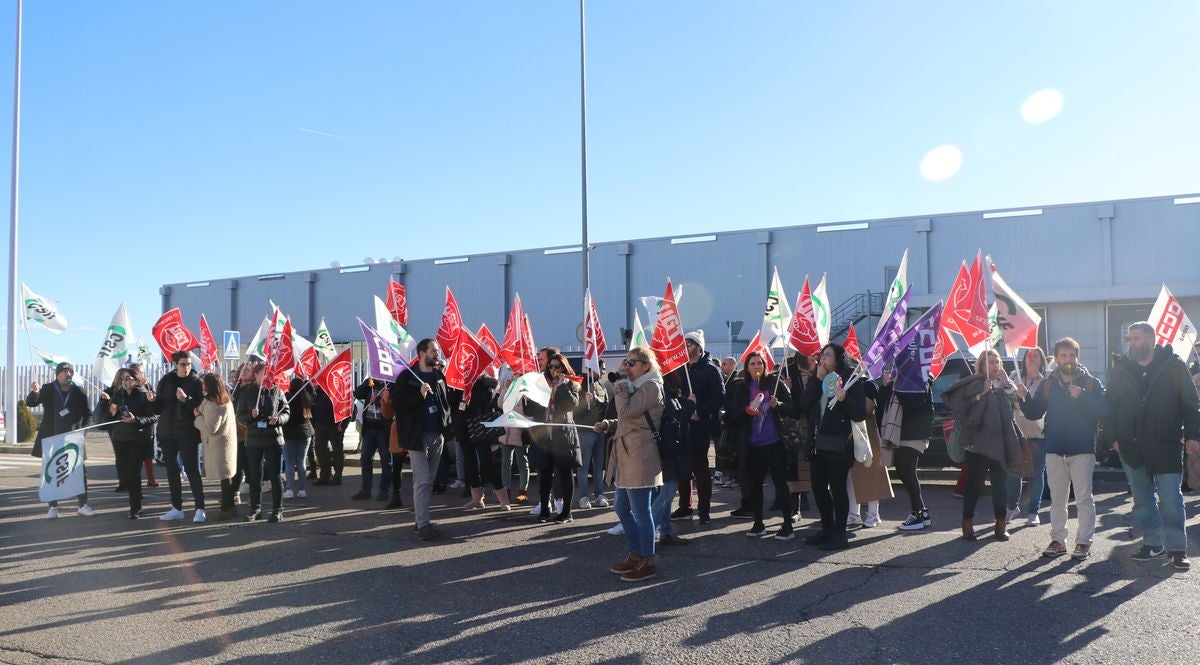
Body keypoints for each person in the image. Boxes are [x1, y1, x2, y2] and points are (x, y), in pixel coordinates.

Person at [1104, 322, 1200, 570]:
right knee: (1142, 499)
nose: (1132, 343)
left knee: (1171, 499)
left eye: (1136, 338)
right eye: (1130, 339)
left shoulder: (1174, 366)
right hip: (1131, 447)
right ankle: (1153, 544)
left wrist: (1193, 435)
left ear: (1151, 339)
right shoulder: (1121, 368)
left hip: (1166, 445)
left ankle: (1177, 549)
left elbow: (1191, 406)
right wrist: (1112, 436)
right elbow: (1110, 406)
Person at [1018, 337, 1107, 560]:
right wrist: (1024, 398)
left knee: (1084, 499)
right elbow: (1034, 412)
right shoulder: (1048, 383)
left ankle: (1084, 543)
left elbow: (1104, 412)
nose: (1067, 359)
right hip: (1054, 448)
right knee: (1057, 500)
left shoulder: (1091, 383)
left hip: (1083, 449)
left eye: (1071, 355)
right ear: (1056, 358)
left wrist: (1083, 397)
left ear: (1078, 357)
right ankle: (1058, 540)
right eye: (1063, 355)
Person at [595, 345, 664, 582]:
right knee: (621, 508)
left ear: (646, 365)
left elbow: (627, 412)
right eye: (626, 362)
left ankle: (648, 559)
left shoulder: (653, 386)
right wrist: (608, 424)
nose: (627, 367)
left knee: (641, 510)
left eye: (631, 363)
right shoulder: (636, 387)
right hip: (627, 453)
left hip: (641, 454)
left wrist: (621, 384)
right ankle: (636, 554)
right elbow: (626, 419)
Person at [943, 349, 1024, 542]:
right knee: (974, 485)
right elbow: (961, 407)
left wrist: (1007, 383)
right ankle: (967, 523)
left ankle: (1000, 524)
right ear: (982, 365)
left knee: (1000, 486)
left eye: (997, 362)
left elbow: (1017, 403)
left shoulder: (1005, 383)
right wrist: (981, 393)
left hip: (1001, 442)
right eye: (990, 362)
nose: (995, 365)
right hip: (977, 443)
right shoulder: (974, 381)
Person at [796, 344, 867, 550]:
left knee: (837, 489)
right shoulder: (817, 378)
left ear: (838, 360)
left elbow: (859, 414)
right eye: (822, 355)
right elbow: (804, 404)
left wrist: (844, 398)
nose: (823, 359)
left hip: (839, 445)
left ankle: (840, 533)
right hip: (818, 444)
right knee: (818, 487)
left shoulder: (852, 380)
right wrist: (816, 380)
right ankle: (827, 528)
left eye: (828, 355)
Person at [725, 351, 796, 540]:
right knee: (755, 485)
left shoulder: (774, 383)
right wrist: (746, 411)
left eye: (760, 363)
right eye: (753, 364)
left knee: (781, 484)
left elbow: (793, 407)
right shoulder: (741, 388)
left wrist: (778, 404)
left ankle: (788, 525)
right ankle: (758, 523)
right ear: (747, 368)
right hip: (753, 446)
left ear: (765, 366)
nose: (757, 367)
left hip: (775, 443)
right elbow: (732, 415)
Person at [390, 339, 453, 540]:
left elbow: (445, 404)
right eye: (434, 351)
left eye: (437, 351)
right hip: (417, 437)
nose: (437, 354)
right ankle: (424, 524)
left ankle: (420, 520)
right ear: (422, 353)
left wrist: (447, 427)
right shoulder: (407, 377)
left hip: (437, 436)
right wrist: (419, 394)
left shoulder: (439, 376)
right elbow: (397, 404)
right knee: (422, 482)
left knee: (429, 481)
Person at [672, 330, 725, 524]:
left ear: (699, 347)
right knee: (682, 468)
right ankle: (685, 506)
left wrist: (699, 412)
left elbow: (719, 396)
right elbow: (675, 393)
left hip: (700, 425)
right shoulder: (682, 368)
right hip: (682, 424)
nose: (685, 347)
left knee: (700, 469)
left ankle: (704, 510)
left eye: (689, 343)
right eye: (684, 343)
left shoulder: (711, 370)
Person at [29, 362, 94, 518]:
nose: (69, 374)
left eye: (71, 371)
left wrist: (82, 431)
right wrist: (35, 392)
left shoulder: (78, 391)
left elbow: (88, 415)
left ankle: (83, 505)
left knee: (79, 473)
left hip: (73, 440)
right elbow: (31, 403)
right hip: (52, 439)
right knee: (51, 472)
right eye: (66, 371)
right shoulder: (48, 389)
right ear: (58, 374)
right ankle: (53, 508)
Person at [152, 352, 206, 523]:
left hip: (188, 432)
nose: (187, 367)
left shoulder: (197, 382)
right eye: (183, 364)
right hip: (167, 432)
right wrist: (152, 401)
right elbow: (157, 408)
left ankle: (200, 508)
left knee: (192, 471)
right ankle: (177, 508)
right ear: (175, 364)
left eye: (189, 364)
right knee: (172, 471)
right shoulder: (166, 380)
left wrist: (186, 399)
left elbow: (201, 407)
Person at [877, 368, 934, 531]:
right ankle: (922, 513)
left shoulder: (922, 375)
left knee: (907, 470)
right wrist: (886, 386)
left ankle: (917, 514)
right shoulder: (900, 376)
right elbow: (882, 406)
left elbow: (914, 403)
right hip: (900, 431)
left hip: (914, 431)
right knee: (904, 471)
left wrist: (898, 385)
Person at [528, 352, 582, 524]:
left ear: (564, 367)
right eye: (550, 366)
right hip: (544, 436)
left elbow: (571, 405)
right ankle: (544, 509)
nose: (553, 370)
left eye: (557, 366)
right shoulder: (541, 384)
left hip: (563, 436)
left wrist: (561, 386)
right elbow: (532, 410)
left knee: (565, 473)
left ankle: (566, 512)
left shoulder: (571, 384)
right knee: (544, 474)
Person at [98, 369, 157, 518]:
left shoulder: (143, 395)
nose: (125, 381)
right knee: (125, 473)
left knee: (133, 472)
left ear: (136, 380)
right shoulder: (117, 395)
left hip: (138, 439)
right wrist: (111, 412)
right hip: (120, 439)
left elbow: (152, 417)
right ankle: (135, 500)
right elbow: (107, 420)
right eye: (123, 379)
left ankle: (135, 508)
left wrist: (135, 420)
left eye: (129, 378)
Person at [236, 365, 291, 522]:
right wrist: (250, 416)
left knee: (275, 476)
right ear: (257, 374)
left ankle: (277, 510)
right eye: (264, 374)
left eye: (270, 374)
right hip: (253, 439)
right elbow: (240, 415)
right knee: (254, 476)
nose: (268, 377)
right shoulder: (247, 393)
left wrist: (278, 419)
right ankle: (255, 509)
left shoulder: (277, 391)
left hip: (273, 438)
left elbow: (286, 411)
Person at [1007, 347, 1048, 526]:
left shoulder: (1046, 380)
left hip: (1039, 433)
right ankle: (1012, 506)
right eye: (1028, 356)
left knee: (1036, 474)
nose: (1031, 359)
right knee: (1014, 472)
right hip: (1018, 432)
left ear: (1042, 360)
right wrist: (1015, 395)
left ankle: (1033, 512)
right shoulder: (1015, 377)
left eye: (1036, 356)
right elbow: (1006, 398)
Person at [460, 373, 511, 510]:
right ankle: (477, 498)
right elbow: (453, 403)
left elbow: (488, 401)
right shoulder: (456, 381)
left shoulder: (486, 383)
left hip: (481, 427)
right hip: (462, 426)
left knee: (488, 462)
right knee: (469, 463)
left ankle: (503, 498)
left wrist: (473, 387)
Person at [652, 369, 691, 546]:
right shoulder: (665, 395)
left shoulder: (666, 394)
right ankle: (647, 535)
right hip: (669, 453)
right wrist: (689, 406)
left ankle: (666, 532)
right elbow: (674, 422)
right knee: (666, 494)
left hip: (666, 451)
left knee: (664, 495)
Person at [194, 373, 239, 522]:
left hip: (218, 445)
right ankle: (230, 505)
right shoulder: (225, 399)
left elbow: (210, 428)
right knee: (227, 477)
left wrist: (197, 418)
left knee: (224, 478)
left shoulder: (213, 403)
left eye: (204, 383)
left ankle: (225, 509)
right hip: (226, 444)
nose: (202, 386)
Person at [352, 376, 392, 502]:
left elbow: (392, 404)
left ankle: (384, 490)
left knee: (386, 460)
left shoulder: (390, 384)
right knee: (365, 458)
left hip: (383, 429)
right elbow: (358, 394)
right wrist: (368, 382)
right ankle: (366, 490)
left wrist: (376, 401)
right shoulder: (371, 383)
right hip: (369, 428)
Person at [574, 367, 610, 509]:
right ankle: (583, 496)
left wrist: (595, 398)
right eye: (601, 368)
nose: (603, 371)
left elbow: (605, 407)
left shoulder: (601, 386)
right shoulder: (579, 385)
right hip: (585, 430)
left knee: (599, 465)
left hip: (600, 430)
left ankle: (599, 494)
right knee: (584, 465)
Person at [227, 362, 257, 503]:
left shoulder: (254, 389)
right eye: (242, 370)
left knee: (249, 464)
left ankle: (254, 496)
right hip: (235, 431)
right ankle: (234, 493)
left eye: (248, 370)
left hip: (249, 431)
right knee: (237, 464)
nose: (245, 372)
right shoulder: (235, 389)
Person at [282, 377, 315, 499]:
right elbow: (313, 393)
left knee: (290, 462)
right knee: (301, 461)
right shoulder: (306, 398)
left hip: (289, 434)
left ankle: (289, 489)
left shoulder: (287, 397)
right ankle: (302, 489)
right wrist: (308, 382)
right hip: (305, 433)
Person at [127, 364, 159, 488]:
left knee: (148, 454)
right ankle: (133, 481)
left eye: (141, 372)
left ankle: (151, 479)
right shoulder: (129, 390)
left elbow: (154, 401)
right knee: (134, 458)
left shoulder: (146, 386)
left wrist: (147, 386)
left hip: (146, 426)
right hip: (132, 426)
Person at [311, 383, 349, 486]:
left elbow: (349, 407)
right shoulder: (319, 389)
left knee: (337, 451)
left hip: (335, 426)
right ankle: (325, 476)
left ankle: (337, 477)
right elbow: (313, 403)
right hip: (320, 424)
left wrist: (344, 424)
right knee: (320, 450)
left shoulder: (340, 388)